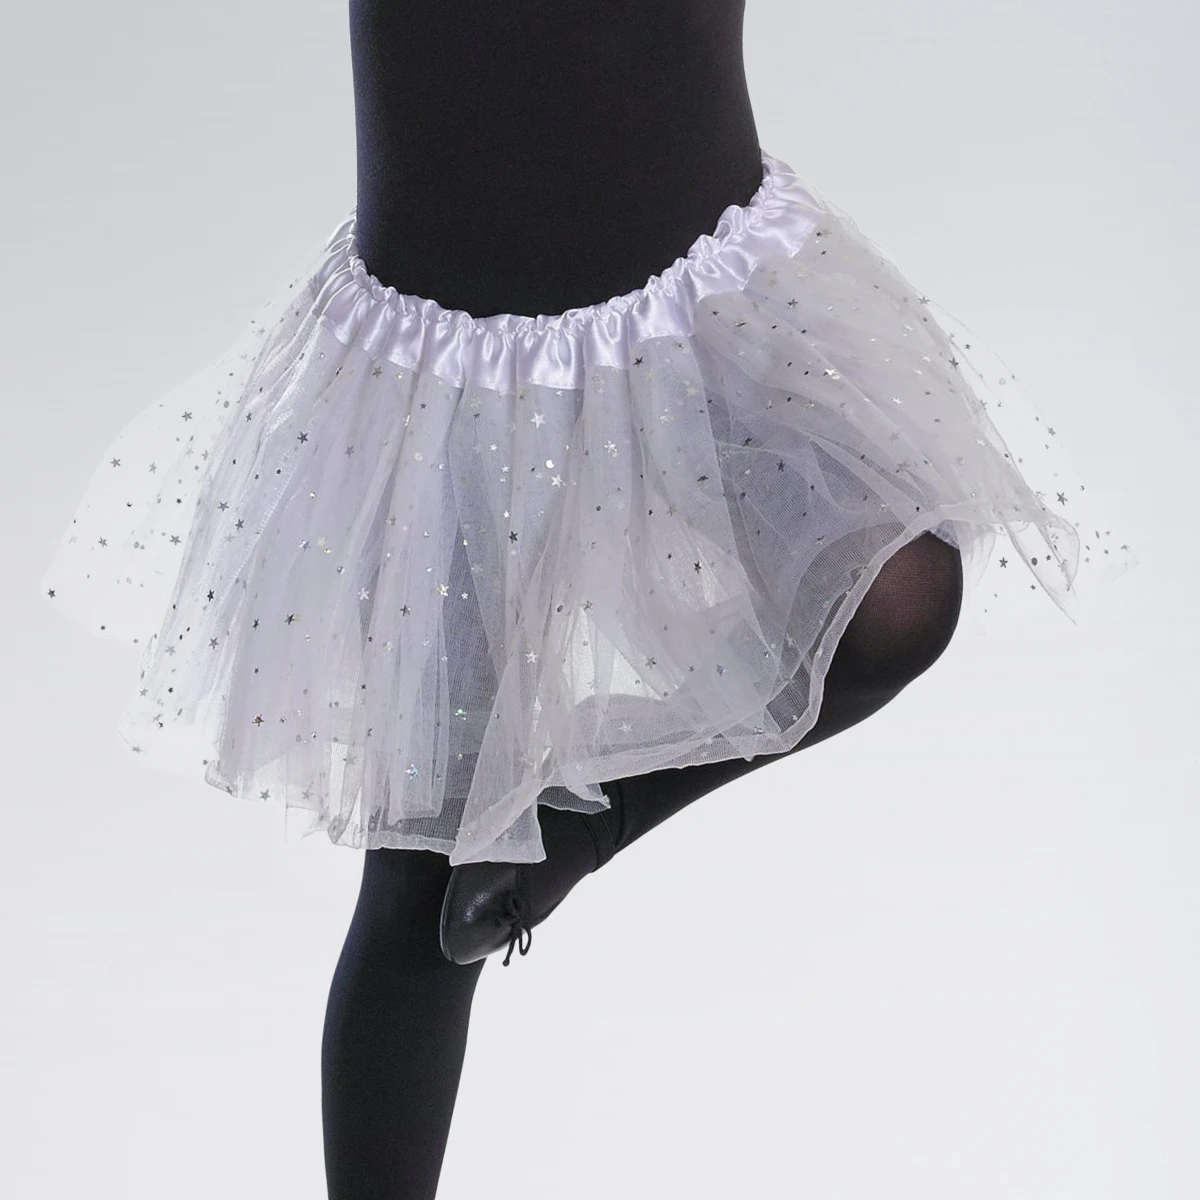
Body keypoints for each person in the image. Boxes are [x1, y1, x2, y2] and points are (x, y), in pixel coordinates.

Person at [39, 3, 1138, 1198]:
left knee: (897, 598)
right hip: (451, 382)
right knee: (426, 882)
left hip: (696, 304)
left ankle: (585, 827)